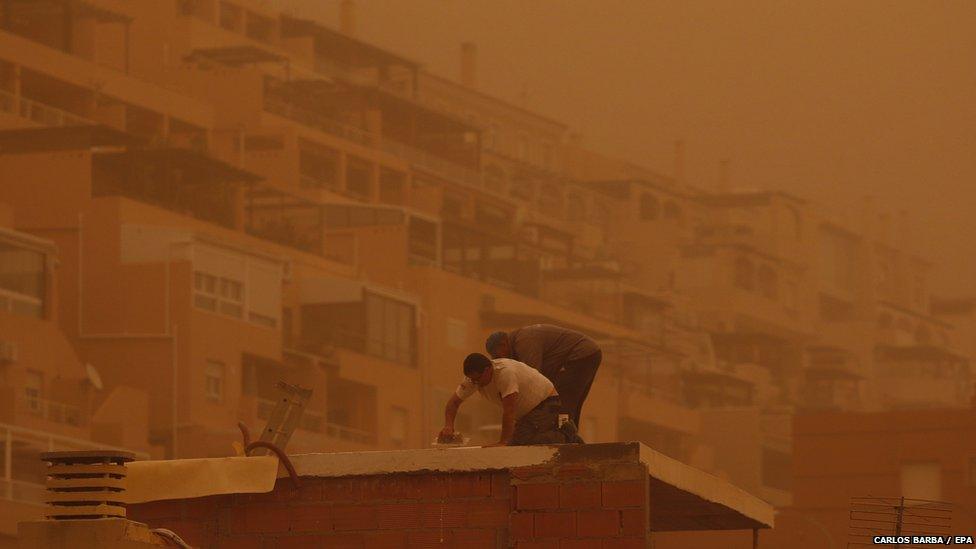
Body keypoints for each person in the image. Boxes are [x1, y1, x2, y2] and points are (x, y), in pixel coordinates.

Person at [439, 353, 571, 446]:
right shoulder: (473, 380)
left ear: (487, 370)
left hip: (546, 402)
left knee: (524, 442)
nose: (475, 383)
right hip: (525, 413)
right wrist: (448, 426)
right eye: (472, 380)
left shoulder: (505, 374)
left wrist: (503, 442)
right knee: (517, 443)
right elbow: (453, 403)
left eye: (477, 379)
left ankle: (565, 434)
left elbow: (509, 411)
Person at [485, 324, 601, 428]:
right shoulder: (517, 345)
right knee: (569, 403)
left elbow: (532, 379)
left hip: (580, 355)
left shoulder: (524, 342)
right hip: (588, 353)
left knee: (563, 401)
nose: (501, 359)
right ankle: (569, 436)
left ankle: (564, 437)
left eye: (498, 355)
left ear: (503, 344)